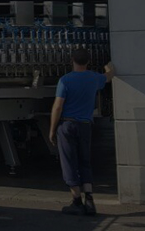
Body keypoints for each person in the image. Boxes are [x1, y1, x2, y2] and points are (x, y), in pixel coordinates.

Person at [48, 48, 114, 216]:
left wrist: (52, 130)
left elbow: (58, 106)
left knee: (69, 162)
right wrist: (109, 66)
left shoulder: (65, 80)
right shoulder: (94, 78)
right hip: (85, 125)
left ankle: (76, 201)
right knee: (85, 161)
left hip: (67, 125)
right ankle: (89, 199)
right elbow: (109, 76)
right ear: (88, 61)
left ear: (72, 60)